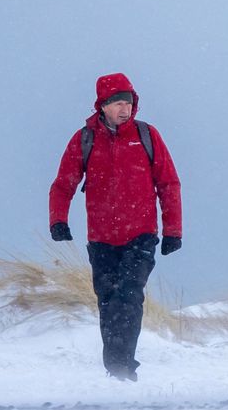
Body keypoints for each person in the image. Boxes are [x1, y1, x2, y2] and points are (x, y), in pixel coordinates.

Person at [49, 72, 182, 381]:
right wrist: (58, 219)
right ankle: (115, 367)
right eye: (118, 103)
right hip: (101, 238)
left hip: (141, 234)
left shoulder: (147, 135)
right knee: (108, 300)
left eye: (129, 102)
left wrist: (172, 230)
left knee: (129, 295)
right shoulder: (85, 139)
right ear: (103, 106)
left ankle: (125, 365)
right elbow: (63, 184)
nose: (125, 109)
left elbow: (169, 183)